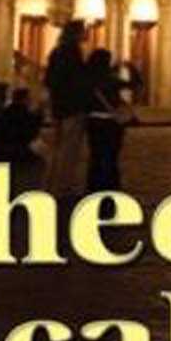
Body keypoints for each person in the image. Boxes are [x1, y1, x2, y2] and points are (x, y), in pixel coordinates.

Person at [42, 18, 90, 218]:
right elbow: (79, 80)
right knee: (69, 149)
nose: (86, 34)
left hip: (59, 106)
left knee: (58, 147)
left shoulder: (56, 51)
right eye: (83, 31)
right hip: (72, 106)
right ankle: (64, 187)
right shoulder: (72, 52)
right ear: (76, 34)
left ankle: (50, 184)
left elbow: (48, 80)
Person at [85, 47, 135, 192]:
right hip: (111, 122)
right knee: (111, 156)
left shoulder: (88, 79)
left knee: (96, 155)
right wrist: (131, 67)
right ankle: (111, 184)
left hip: (93, 120)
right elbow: (135, 83)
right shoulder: (111, 79)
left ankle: (94, 185)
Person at [0, 87, 43, 169]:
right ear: (25, 100)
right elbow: (32, 135)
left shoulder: (2, 114)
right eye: (29, 99)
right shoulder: (27, 116)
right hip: (18, 155)